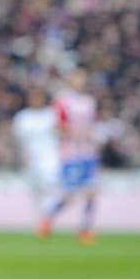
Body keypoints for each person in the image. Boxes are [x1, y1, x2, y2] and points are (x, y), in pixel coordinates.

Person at [42, 69, 101, 243]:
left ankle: (85, 229)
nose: (79, 81)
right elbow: (57, 126)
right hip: (71, 153)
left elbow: (91, 125)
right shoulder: (62, 100)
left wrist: (92, 140)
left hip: (88, 153)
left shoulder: (90, 101)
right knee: (69, 195)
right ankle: (48, 217)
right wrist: (75, 133)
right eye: (76, 78)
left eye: (82, 78)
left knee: (92, 192)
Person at [11, 86, 60, 234]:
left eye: (38, 96)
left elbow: (60, 134)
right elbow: (18, 140)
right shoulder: (22, 117)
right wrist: (22, 156)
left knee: (51, 186)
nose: (36, 100)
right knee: (36, 191)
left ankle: (47, 219)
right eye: (33, 97)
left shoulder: (51, 115)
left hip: (50, 156)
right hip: (31, 158)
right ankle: (39, 222)